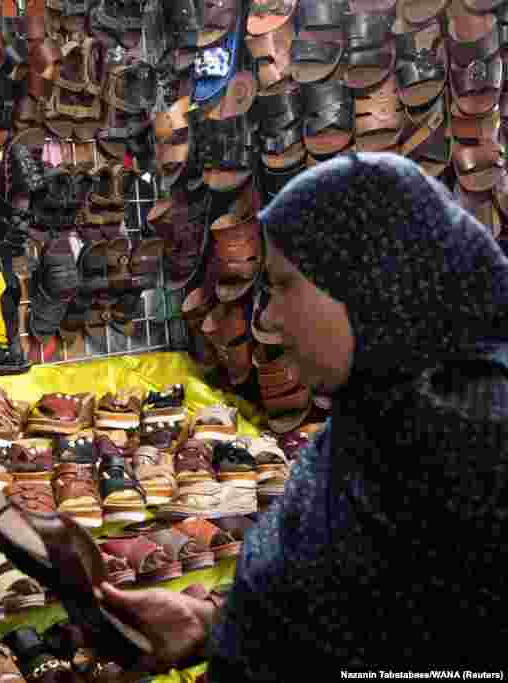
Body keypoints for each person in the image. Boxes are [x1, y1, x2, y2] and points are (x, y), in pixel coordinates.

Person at [95, 153, 508, 676]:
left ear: (367, 282)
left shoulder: (481, 452)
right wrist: (211, 625)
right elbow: (348, 615)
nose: (266, 317)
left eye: (285, 285)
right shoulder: (374, 426)